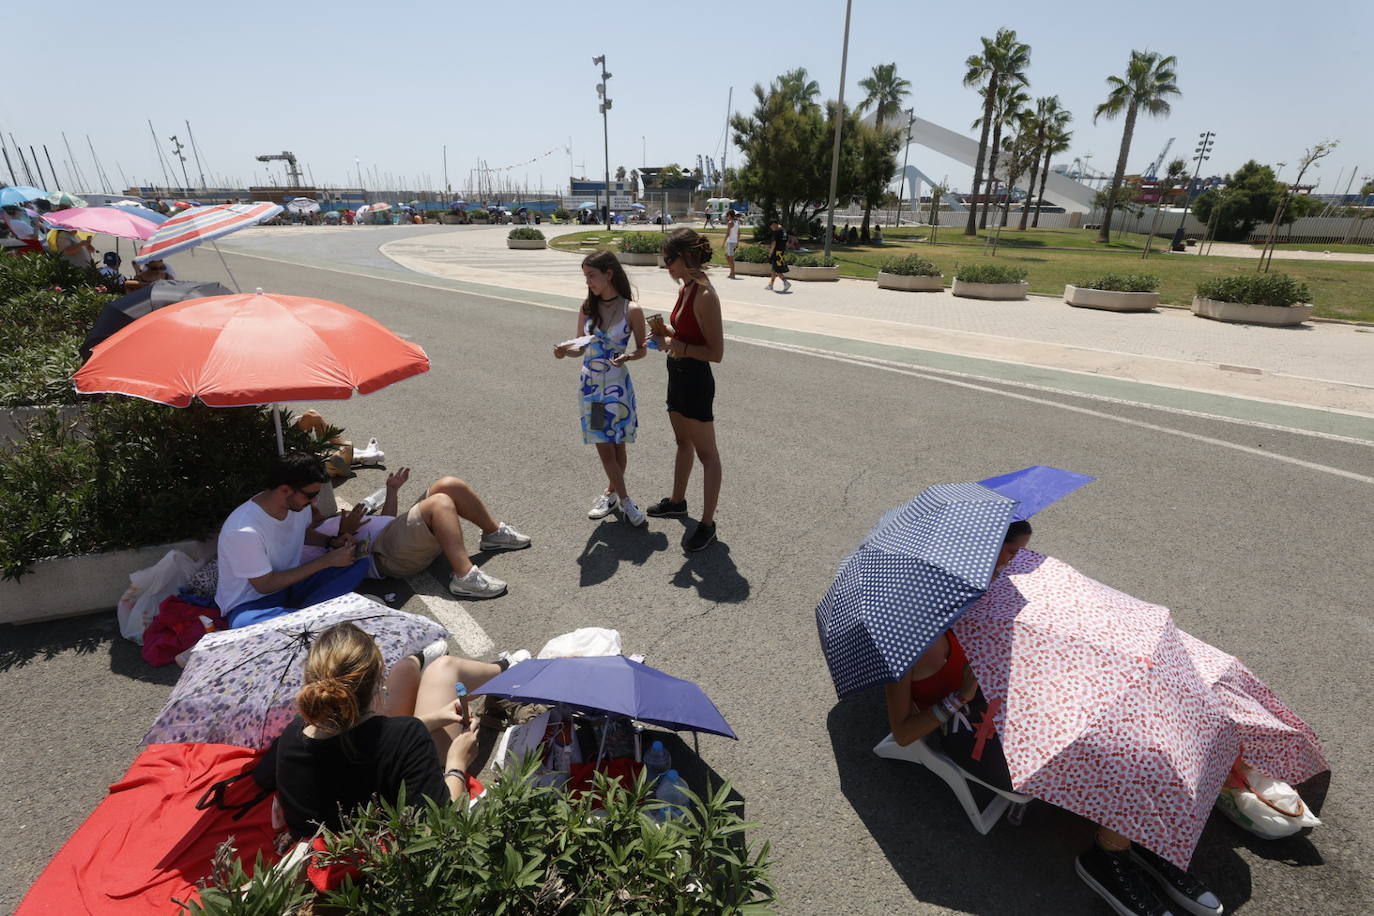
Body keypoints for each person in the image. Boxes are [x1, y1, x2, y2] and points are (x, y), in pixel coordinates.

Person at [884, 520, 1224, 916]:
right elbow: (903, 733)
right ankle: (1108, 858)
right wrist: (961, 695)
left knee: (1123, 719)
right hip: (972, 732)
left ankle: (1138, 837)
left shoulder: (971, 596)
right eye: (1008, 553)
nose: (1013, 562)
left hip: (1003, 704)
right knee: (1118, 753)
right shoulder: (907, 640)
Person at [267, 622, 503, 838]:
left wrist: (433, 719)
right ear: (379, 677)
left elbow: (368, 740)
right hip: (390, 856)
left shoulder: (292, 736)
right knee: (444, 669)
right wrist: (457, 763)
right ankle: (506, 670)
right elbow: (444, 828)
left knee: (409, 670)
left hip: (331, 857)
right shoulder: (405, 737)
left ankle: (499, 668)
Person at [303, 464, 531, 600]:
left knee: (448, 484)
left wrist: (392, 491)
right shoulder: (303, 547)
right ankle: (465, 577)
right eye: (309, 501)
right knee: (439, 502)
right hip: (389, 557)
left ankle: (493, 534)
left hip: (395, 537)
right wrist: (343, 538)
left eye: (314, 500)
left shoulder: (323, 524)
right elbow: (339, 571)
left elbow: (386, 521)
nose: (315, 504)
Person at [554, 250, 648, 526]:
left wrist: (629, 356)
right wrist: (564, 351)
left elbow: (642, 350)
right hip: (592, 389)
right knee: (604, 449)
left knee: (618, 446)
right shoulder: (587, 309)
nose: (588, 282)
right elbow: (578, 347)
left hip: (618, 387)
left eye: (591, 275)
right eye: (585, 277)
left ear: (609, 273)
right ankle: (626, 501)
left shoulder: (632, 310)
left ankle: (610, 492)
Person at [646, 228, 724, 552]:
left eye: (669, 261)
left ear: (686, 257)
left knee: (707, 455)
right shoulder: (686, 288)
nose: (667, 268)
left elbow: (716, 353)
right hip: (677, 372)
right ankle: (677, 501)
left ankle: (707, 524)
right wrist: (667, 331)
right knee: (682, 442)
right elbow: (686, 333)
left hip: (695, 379)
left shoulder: (706, 295)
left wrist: (675, 343)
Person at [765, 218, 791, 293]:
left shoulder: (776, 232)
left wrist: (770, 252)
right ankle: (771, 284)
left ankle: (786, 283)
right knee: (774, 268)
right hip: (781, 251)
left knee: (777, 269)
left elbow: (774, 243)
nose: (771, 228)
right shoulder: (784, 231)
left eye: (771, 227)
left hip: (776, 252)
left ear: (774, 225)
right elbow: (786, 242)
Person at [724, 211, 740, 279]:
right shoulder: (737, 222)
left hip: (731, 242)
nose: (727, 217)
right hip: (733, 242)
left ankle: (732, 273)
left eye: (727, 215)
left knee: (730, 258)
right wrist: (737, 242)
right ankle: (731, 271)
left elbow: (727, 233)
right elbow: (739, 233)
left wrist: (723, 242)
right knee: (727, 256)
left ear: (730, 215)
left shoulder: (730, 223)